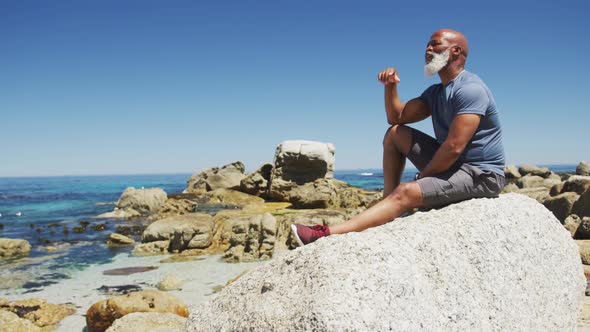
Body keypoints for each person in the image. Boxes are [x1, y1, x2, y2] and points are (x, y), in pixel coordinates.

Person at [291, 29, 506, 246]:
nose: (427, 49)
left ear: (456, 51)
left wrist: (423, 177)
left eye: (435, 44)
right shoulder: (436, 93)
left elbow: (454, 146)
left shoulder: (470, 89)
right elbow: (397, 117)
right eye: (427, 46)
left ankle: (325, 235)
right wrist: (391, 87)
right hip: (454, 166)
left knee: (406, 192)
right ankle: (388, 202)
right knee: (395, 134)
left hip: (482, 174)